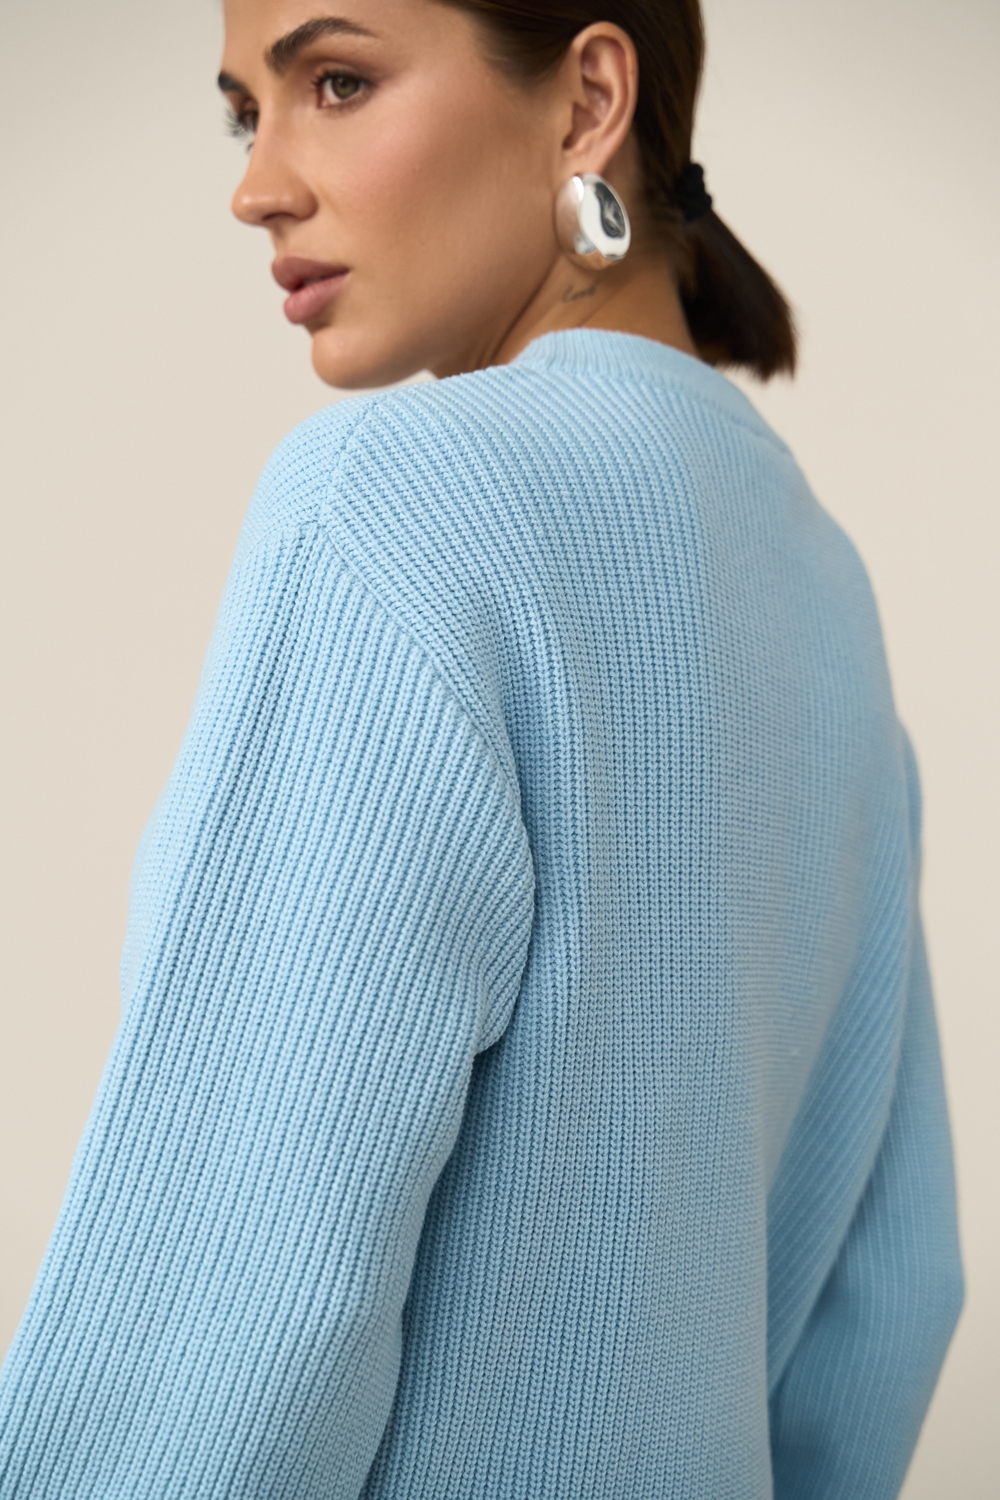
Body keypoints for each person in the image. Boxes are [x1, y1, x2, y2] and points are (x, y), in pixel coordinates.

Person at [0, 1, 963, 1496]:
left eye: (337, 81)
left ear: (587, 101)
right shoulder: (827, 593)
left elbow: (233, 1330)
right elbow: (891, 1305)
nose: (255, 185)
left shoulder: (395, 510)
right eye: (247, 112)